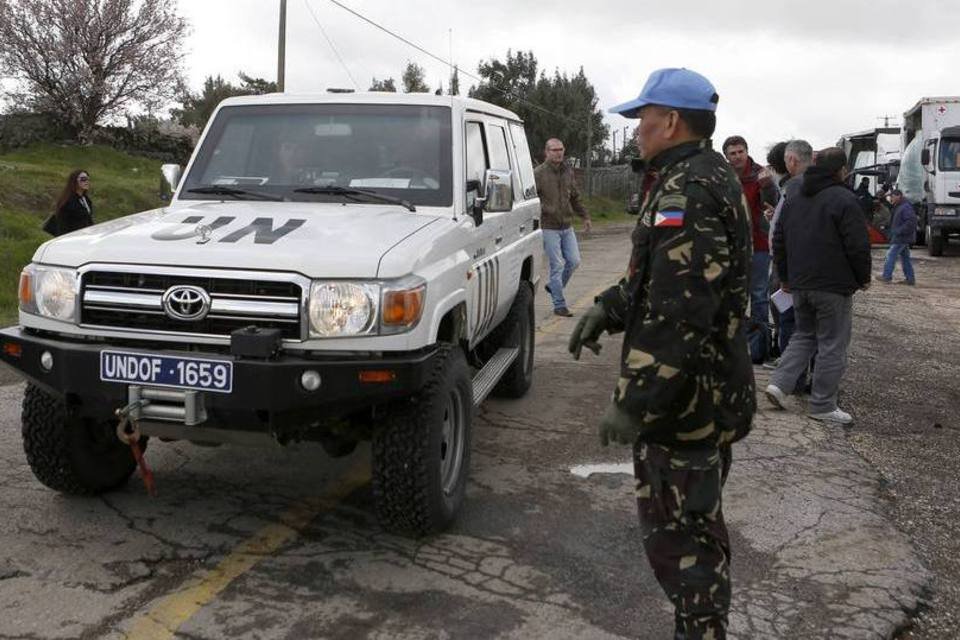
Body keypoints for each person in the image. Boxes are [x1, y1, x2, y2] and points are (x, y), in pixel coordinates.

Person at [569, 67, 754, 640]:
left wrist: (634, 402)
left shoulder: (688, 192)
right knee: (690, 532)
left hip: (686, 410)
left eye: (642, 120)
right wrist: (609, 305)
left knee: (685, 544)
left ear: (670, 121)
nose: (636, 131)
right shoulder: (695, 176)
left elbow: (680, 315)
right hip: (702, 397)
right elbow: (661, 280)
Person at [766, 148, 871, 425]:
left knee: (804, 335)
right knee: (832, 343)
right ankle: (822, 405)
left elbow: (779, 238)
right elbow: (857, 245)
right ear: (842, 171)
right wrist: (864, 277)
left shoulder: (794, 196)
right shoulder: (845, 199)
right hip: (833, 286)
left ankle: (779, 384)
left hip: (799, 283)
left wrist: (786, 277)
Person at [722, 135, 779, 362]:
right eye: (732, 153)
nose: (737, 157)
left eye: (740, 152)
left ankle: (757, 351)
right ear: (726, 156)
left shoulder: (762, 175)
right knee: (733, 296)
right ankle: (732, 348)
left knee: (758, 296)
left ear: (747, 151)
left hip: (758, 245)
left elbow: (772, 205)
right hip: (730, 246)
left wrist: (766, 186)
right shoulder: (722, 176)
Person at [534, 138, 592, 317]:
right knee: (557, 265)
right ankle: (559, 304)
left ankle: (554, 287)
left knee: (574, 261)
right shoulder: (538, 173)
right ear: (547, 152)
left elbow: (575, 196)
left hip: (567, 226)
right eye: (554, 150)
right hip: (549, 227)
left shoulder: (568, 171)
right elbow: (532, 200)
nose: (558, 152)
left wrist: (585, 217)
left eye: (560, 149)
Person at [768, 139, 814, 359]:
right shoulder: (813, 187)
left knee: (790, 319)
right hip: (806, 266)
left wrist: (782, 272)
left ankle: (790, 374)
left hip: (791, 266)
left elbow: (781, 235)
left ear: (791, 161)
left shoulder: (793, 189)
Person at [879, 188, 917, 285]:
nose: (891, 198)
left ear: (898, 196)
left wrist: (899, 231)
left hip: (901, 237)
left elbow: (911, 222)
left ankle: (886, 276)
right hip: (901, 236)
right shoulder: (900, 206)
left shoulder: (905, 207)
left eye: (892, 197)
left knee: (891, 255)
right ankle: (910, 279)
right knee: (905, 259)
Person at [50, 169, 94, 236]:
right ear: (74, 181)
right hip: (73, 237)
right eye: (83, 179)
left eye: (88, 179)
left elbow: (88, 219)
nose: (87, 182)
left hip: (86, 237)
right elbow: (62, 225)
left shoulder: (86, 199)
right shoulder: (68, 201)